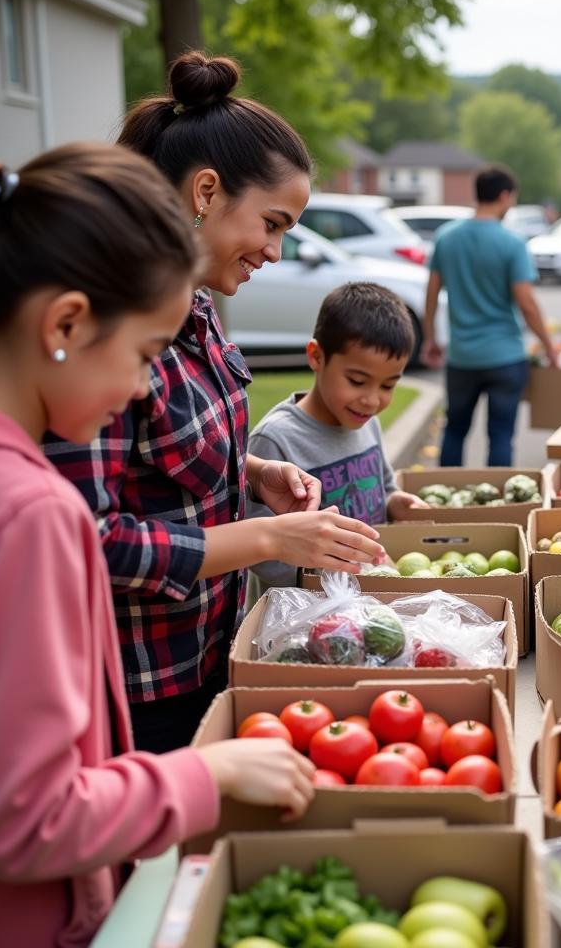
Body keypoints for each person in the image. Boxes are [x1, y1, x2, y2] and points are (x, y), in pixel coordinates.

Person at [0, 144, 315, 948]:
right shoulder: (34, 512)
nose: (146, 388)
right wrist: (205, 772)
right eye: (142, 356)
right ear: (66, 323)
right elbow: (29, 817)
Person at [45, 52, 385, 754]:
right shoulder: (112, 329)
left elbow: (171, 459)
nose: (275, 249)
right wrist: (267, 538)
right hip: (140, 688)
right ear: (205, 192)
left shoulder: (195, 304)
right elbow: (89, 540)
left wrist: (257, 473)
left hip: (211, 650)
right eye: (273, 222)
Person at [247, 282, 427, 588]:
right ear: (317, 357)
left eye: (387, 386)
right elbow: (259, 549)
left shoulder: (366, 421)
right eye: (357, 381)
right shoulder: (276, 438)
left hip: (371, 593)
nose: (372, 400)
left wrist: (395, 502)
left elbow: (383, 489)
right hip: (308, 607)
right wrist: (330, 579)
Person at [422, 165, 558, 465]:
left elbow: (431, 295)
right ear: (505, 196)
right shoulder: (512, 243)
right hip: (505, 357)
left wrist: (430, 338)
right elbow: (527, 303)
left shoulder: (446, 238)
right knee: (500, 436)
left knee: (455, 431)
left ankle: (447, 502)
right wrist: (549, 346)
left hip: (462, 357)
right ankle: (499, 507)